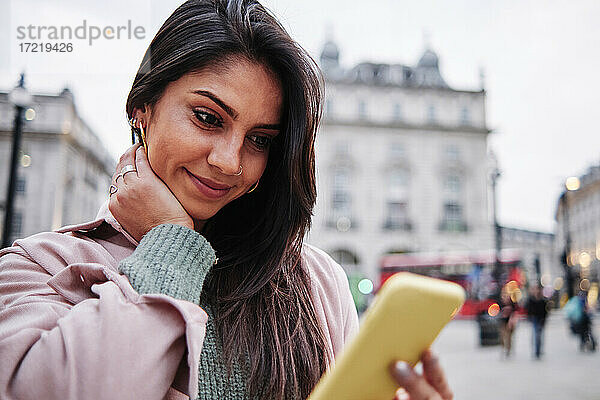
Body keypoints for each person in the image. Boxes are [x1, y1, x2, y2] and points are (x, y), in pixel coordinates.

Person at [0, 1, 454, 399]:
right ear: (143, 109)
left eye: (259, 139)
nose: (229, 161)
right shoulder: (38, 266)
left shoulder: (318, 282)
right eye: (207, 117)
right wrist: (170, 247)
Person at [526, 286, 548, 359]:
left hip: (541, 319)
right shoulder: (531, 299)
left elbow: (545, 311)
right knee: (535, 335)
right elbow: (528, 310)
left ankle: (539, 349)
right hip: (534, 319)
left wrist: (544, 319)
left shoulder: (542, 300)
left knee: (539, 335)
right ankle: (536, 351)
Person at [499, 288, 518, 358]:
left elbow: (515, 312)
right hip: (503, 322)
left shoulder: (512, 303)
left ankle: (508, 349)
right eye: (503, 295)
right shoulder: (500, 303)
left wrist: (512, 321)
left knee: (509, 336)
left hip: (510, 322)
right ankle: (503, 348)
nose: (505, 296)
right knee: (502, 336)